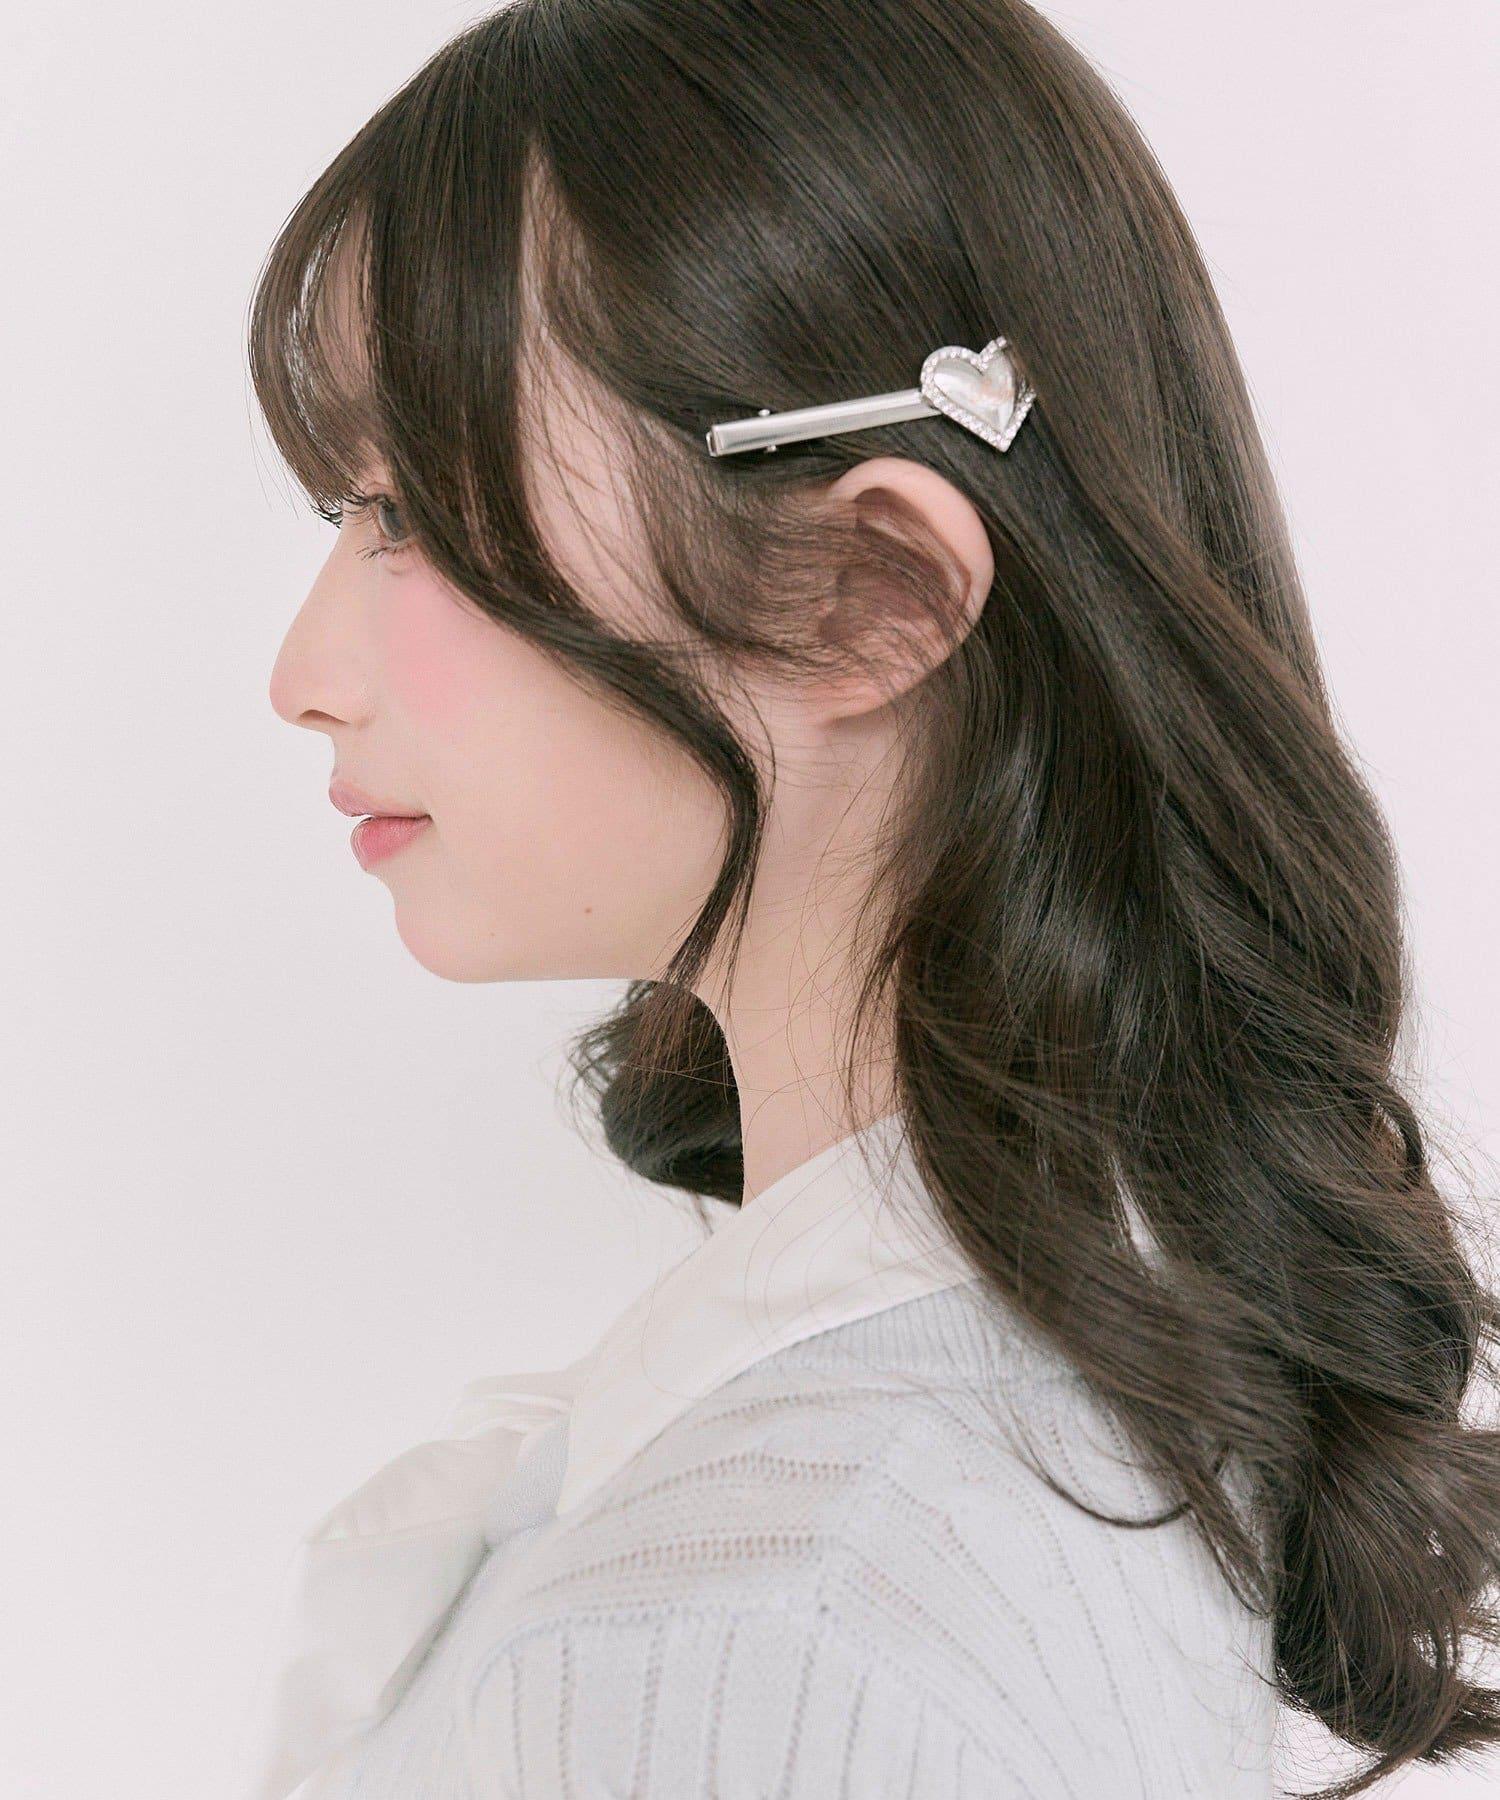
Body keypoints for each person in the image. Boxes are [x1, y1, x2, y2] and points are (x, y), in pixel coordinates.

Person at [237, 1, 1500, 1795]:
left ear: (871, 593)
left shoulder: (756, 1631)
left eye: (410, 512)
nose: (304, 676)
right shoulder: (1016, 1461)